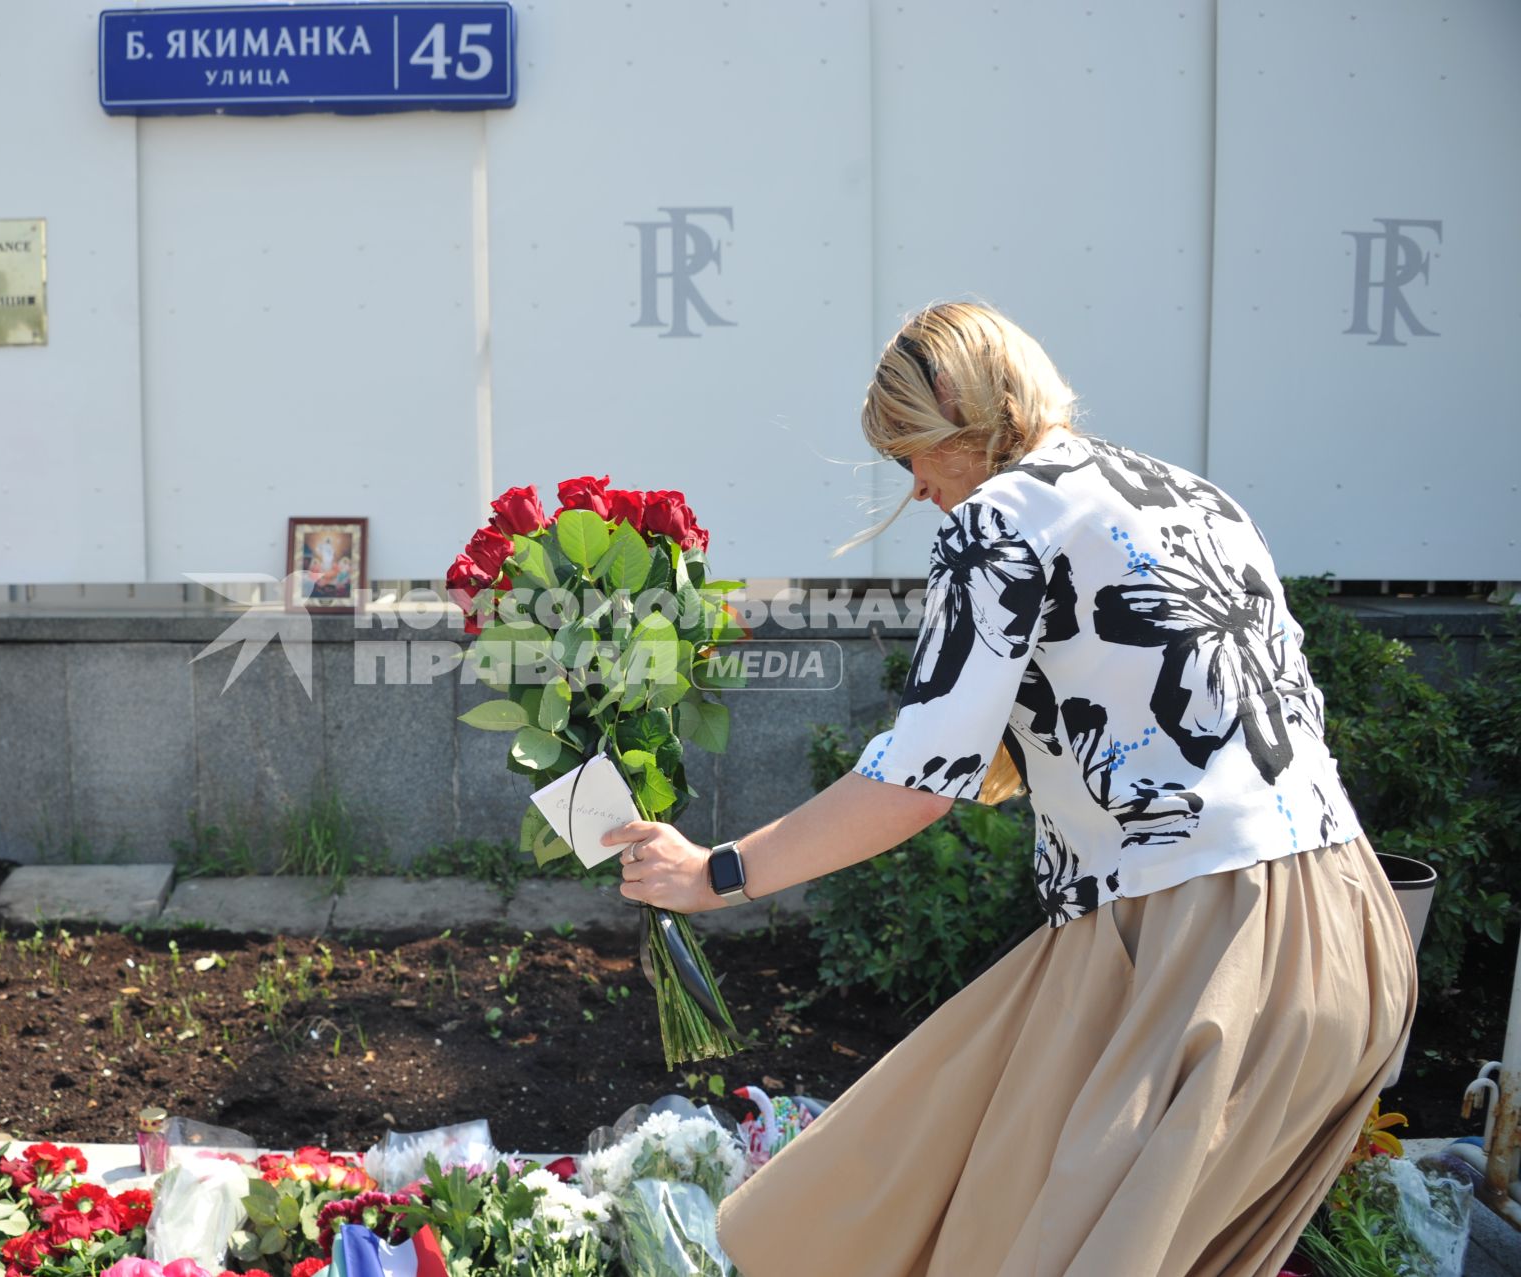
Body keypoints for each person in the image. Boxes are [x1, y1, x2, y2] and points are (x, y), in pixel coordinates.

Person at [601, 301, 1418, 1276]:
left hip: (1194, 940)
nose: (916, 488)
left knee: (938, 1207)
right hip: (1354, 928)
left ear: (961, 416)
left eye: (913, 451)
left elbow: (914, 782)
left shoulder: (1003, 516)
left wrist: (715, 871)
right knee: (957, 1157)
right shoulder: (1198, 497)